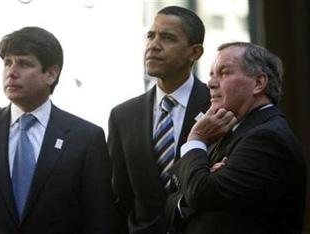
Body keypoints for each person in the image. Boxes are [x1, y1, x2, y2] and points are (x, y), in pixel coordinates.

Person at [166, 42, 307, 234]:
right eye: (211, 74)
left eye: (224, 72)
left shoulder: (267, 137)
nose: (211, 83)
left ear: (258, 83)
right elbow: (173, 198)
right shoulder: (226, 129)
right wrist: (200, 183)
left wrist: (196, 139)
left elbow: (200, 193)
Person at [0, 26, 116, 234]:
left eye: (23, 64)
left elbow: (99, 219)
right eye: (7, 63)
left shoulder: (85, 138)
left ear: (51, 73)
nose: (11, 72)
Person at [107, 6, 210, 234]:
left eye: (168, 38)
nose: (153, 45)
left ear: (195, 52)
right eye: (151, 35)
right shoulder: (122, 116)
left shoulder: (217, 107)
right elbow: (119, 197)